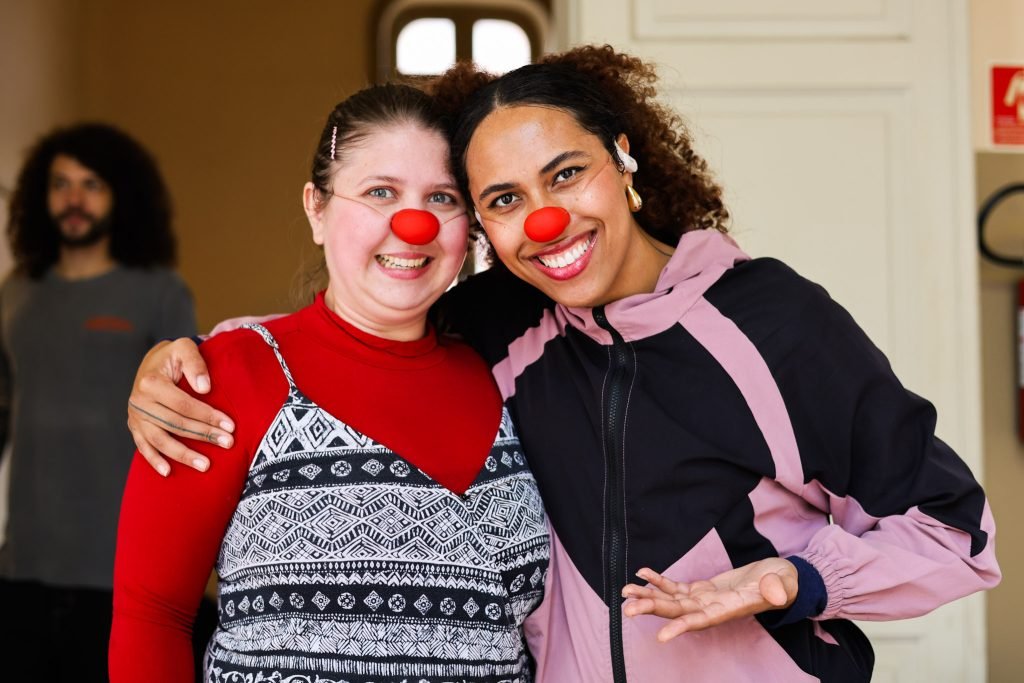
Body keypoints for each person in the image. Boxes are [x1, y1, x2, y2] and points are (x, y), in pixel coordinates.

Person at [124, 46, 1000, 682]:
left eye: (566, 174)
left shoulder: (775, 322)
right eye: (505, 199)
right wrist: (191, 359)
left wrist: (798, 579)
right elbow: (357, 332)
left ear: (623, 161)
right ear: (487, 231)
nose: (546, 221)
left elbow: (958, 535)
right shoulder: (501, 326)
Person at [108, 84, 550, 682]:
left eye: (440, 198)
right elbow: (151, 617)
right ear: (318, 209)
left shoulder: (509, 371)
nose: (413, 225)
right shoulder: (222, 376)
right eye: (380, 192)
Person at [0, 122, 197, 680]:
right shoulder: (16, 293)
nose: (74, 199)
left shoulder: (158, 292)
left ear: (121, 197)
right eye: (61, 184)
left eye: (92, 184)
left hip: (118, 567)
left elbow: (187, 415)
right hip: (24, 563)